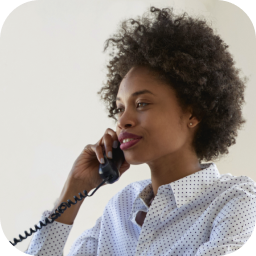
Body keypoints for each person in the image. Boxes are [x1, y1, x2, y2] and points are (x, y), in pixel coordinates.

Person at [24, 6, 256, 256]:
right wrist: (73, 192)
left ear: (194, 113)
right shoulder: (120, 208)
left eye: (141, 103)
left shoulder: (236, 202)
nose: (123, 121)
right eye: (120, 109)